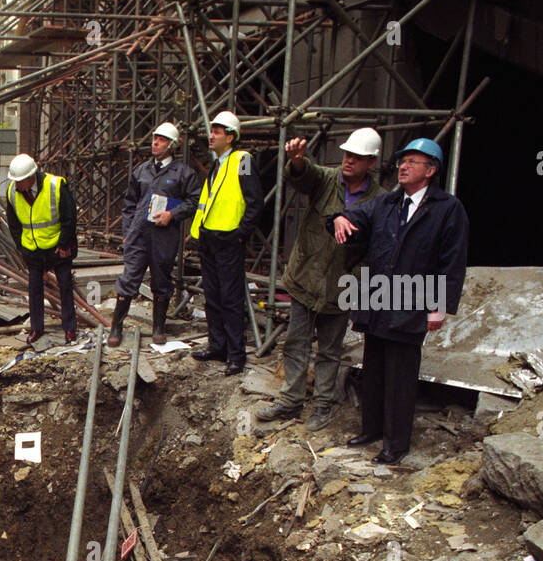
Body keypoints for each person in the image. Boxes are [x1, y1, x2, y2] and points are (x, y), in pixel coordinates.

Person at [327, 137, 469, 464]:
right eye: (402, 161)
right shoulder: (388, 203)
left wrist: (439, 305)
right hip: (378, 299)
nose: (403, 167)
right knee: (374, 370)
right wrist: (339, 217)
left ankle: (396, 444)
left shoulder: (447, 210)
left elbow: (453, 262)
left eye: (413, 162)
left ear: (430, 171)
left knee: (400, 377)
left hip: (413, 301)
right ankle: (372, 429)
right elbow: (355, 217)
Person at [257, 128, 384, 432]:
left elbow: (375, 248)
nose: (348, 160)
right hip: (305, 280)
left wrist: (356, 280)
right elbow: (303, 177)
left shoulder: (379, 201)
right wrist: (298, 161)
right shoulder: (327, 179)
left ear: (371, 163)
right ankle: (291, 401)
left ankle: (322, 405)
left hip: (340, 289)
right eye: (347, 154)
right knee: (296, 344)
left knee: (329, 351)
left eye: (357, 157)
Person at [108, 122, 201, 347]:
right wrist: (127, 232)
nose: (155, 143)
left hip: (164, 237)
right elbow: (129, 204)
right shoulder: (141, 171)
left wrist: (172, 214)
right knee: (128, 280)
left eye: (160, 140)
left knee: (161, 280)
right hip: (139, 236)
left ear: (172, 145)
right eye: (154, 139)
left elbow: (194, 201)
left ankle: (158, 326)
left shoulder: (183, 174)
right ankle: (116, 327)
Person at [190, 111, 263, 376]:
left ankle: (235, 355)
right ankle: (217, 345)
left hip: (229, 238)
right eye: (212, 131)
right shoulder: (218, 164)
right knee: (212, 295)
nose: (211, 136)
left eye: (217, 132)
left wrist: (240, 233)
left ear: (230, 137)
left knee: (231, 298)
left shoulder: (242, 160)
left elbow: (255, 201)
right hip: (209, 237)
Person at [3, 153, 79, 345]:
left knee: (65, 286)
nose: (17, 185)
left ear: (30, 177)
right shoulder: (13, 191)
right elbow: (13, 224)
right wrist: (21, 248)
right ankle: (37, 328)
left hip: (56, 246)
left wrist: (63, 244)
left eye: (20, 181)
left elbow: (69, 218)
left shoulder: (56, 186)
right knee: (34, 289)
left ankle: (70, 328)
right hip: (33, 249)